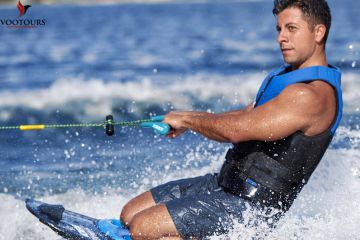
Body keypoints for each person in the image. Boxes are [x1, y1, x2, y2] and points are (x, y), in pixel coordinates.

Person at [120, 0, 343, 239]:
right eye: (279, 29)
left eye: (291, 28)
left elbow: (236, 131)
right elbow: (245, 115)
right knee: (130, 213)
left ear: (318, 32)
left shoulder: (311, 95)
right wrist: (186, 116)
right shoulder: (289, 79)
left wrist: (187, 121)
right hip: (223, 185)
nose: (281, 38)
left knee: (143, 228)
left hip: (250, 209)